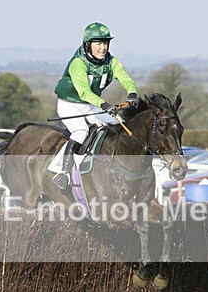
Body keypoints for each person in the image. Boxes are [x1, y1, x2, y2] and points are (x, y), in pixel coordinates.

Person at [47, 22, 139, 189]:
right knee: (81, 131)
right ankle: (61, 171)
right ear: (88, 44)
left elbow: (125, 78)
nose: (103, 48)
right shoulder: (78, 63)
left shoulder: (111, 61)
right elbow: (84, 92)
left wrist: (132, 93)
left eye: (105, 43)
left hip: (90, 105)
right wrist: (103, 104)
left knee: (118, 122)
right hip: (69, 104)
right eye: (98, 43)